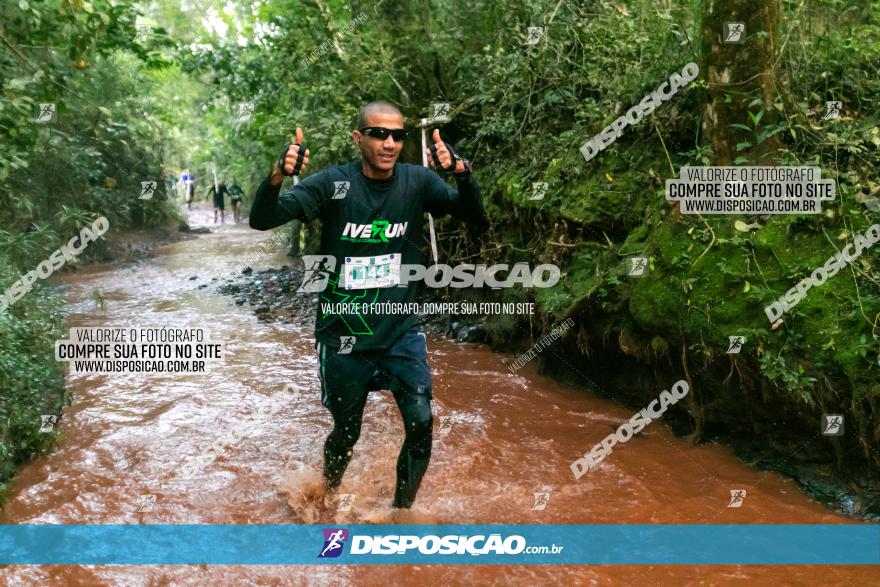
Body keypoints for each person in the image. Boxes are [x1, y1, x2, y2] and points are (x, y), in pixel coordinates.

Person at [249, 101, 487, 509]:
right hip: (344, 335)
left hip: (400, 330)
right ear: (358, 138)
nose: (390, 142)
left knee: (421, 423)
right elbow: (262, 219)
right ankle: (328, 492)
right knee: (346, 432)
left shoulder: (418, 182)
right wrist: (277, 176)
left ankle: (401, 514)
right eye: (379, 133)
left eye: (398, 135)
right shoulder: (332, 185)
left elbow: (474, 216)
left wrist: (462, 174)